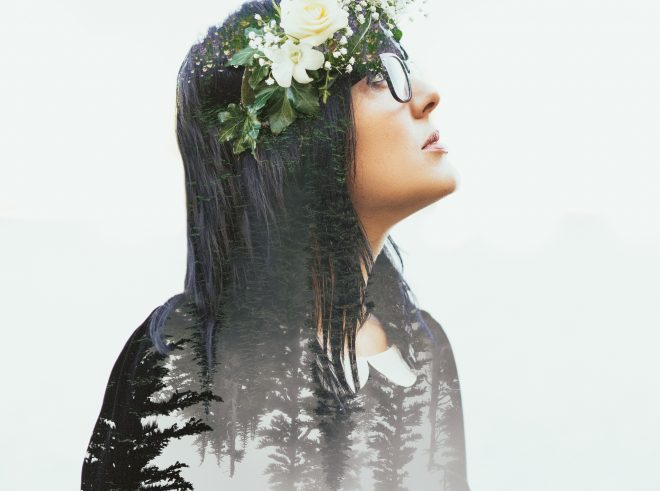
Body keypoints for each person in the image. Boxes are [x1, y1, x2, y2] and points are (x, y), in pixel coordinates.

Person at [80, 1, 469, 489]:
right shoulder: (176, 358)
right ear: (294, 137)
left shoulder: (422, 347)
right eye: (377, 75)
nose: (428, 95)